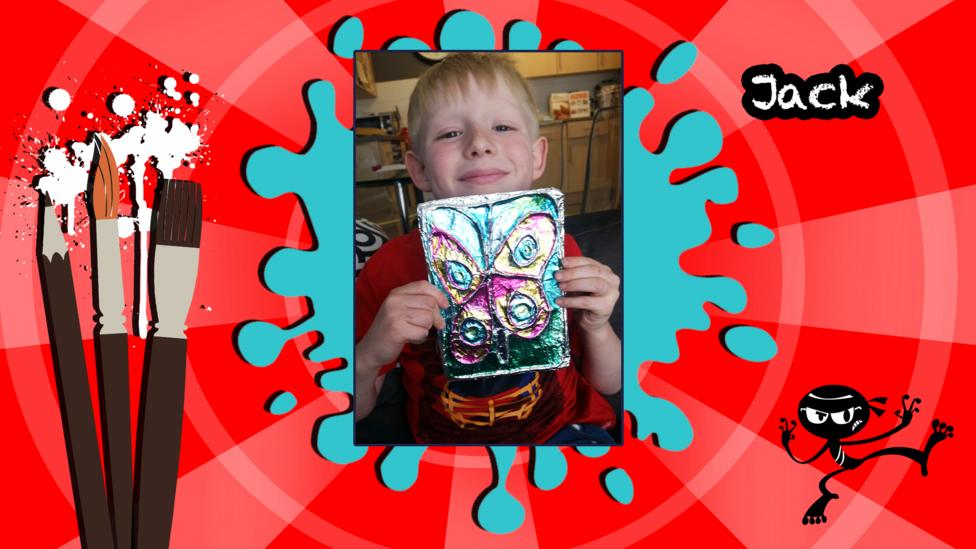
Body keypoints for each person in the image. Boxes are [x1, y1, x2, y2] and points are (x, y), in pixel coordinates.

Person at [355, 52, 621, 443]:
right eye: (450, 133)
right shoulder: (388, 268)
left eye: (502, 126)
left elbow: (610, 383)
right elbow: (353, 409)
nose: (480, 144)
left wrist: (597, 326)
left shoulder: (561, 249)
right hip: (445, 448)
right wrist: (369, 356)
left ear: (536, 157)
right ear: (420, 170)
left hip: (565, 429)